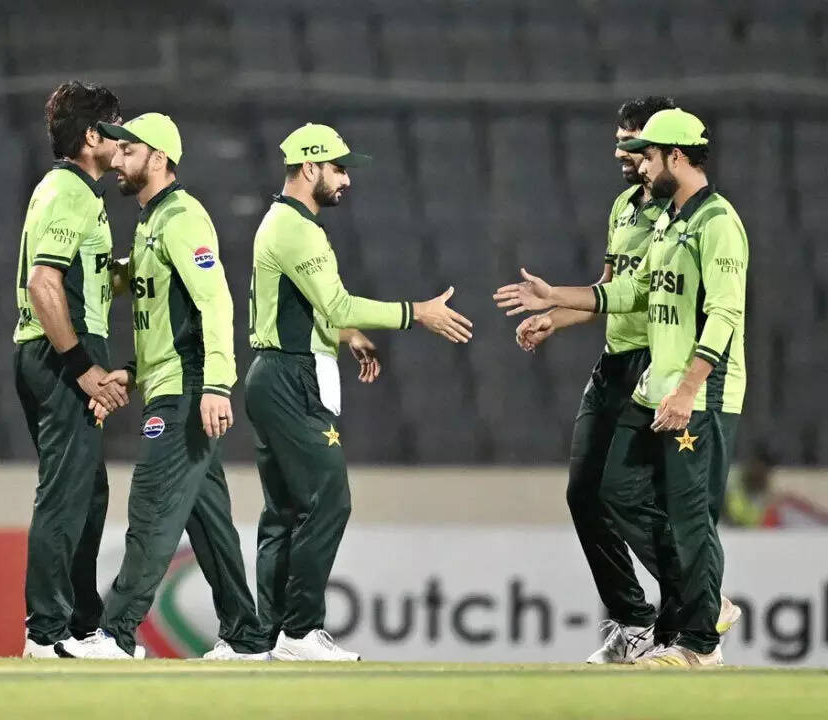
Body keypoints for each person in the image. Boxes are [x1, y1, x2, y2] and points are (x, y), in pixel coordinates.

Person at [494, 108, 748, 668]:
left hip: (695, 387)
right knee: (611, 491)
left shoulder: (717, 222)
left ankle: (697, 640)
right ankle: (688, 608)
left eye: (646, 153)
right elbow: (629, 291)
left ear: (674, 156)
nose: (635, 161)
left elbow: (726, 314)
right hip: (652, 382)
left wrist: (689, 387)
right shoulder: (663, 221)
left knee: (687, 515)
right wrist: (554, 299)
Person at [246, 124, 472, 661]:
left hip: (274, 373)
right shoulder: (297, 228)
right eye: (338, 168)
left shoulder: (284, 222)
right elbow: (338, 304)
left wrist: (347, 335)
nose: (347, 179)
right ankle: (301, 631)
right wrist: (418, 313)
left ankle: (270, 634)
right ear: (309, 168)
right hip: (292, 377)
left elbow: (315, 308)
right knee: (330, 502)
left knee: (284, 513)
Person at [55, 113, 269, 660]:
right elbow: (164, 318)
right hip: (170, 385)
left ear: (158, 157)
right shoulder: (151, 221)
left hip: (187, 391)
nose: (117, 158)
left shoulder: (183, 218)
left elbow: (215, 303)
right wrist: (134, 370)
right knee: (208, 521)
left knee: (151, 506)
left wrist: (217, 384)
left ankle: (115, 634)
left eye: (128, 150)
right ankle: (246, 637)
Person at [513, 96, 676, 663]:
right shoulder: (624, 206)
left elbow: (639, 294)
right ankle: (634, 621)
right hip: (613, 364)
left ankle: (694, 602)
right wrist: (554, 318)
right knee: (584, 493)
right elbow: (607, 290)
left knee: (630, 495)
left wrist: (555, 296)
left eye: (630, 142)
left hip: (655, 365)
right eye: (618, 140)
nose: (620, 152)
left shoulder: (679, 215)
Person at [13, 81, 128, 658]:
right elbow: (44, 282)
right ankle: (46, 632)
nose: (123, 137)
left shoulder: (67, 191)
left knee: (89, 493)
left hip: (51, 351)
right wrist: (81, 366)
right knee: (65, 494)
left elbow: (83, 274)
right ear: (90, 137)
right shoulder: (71, 192)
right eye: (114, 126)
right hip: (61, 355)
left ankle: (82, 626)